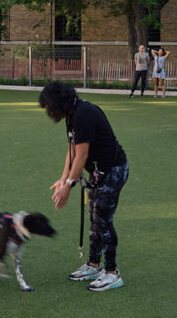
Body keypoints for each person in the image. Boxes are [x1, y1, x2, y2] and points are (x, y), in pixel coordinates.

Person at [40, 81, 128, 292]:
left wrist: (68, 186)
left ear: (57, 102)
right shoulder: (71, 114)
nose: (47, 111)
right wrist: (63, 179)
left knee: (103, 221)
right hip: (98, 172)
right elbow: (71, 151)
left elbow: (82, 155)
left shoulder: (83, 114)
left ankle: (112, 273)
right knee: (95, 218)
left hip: (113, 170)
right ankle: (94, 265)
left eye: (48, 106)